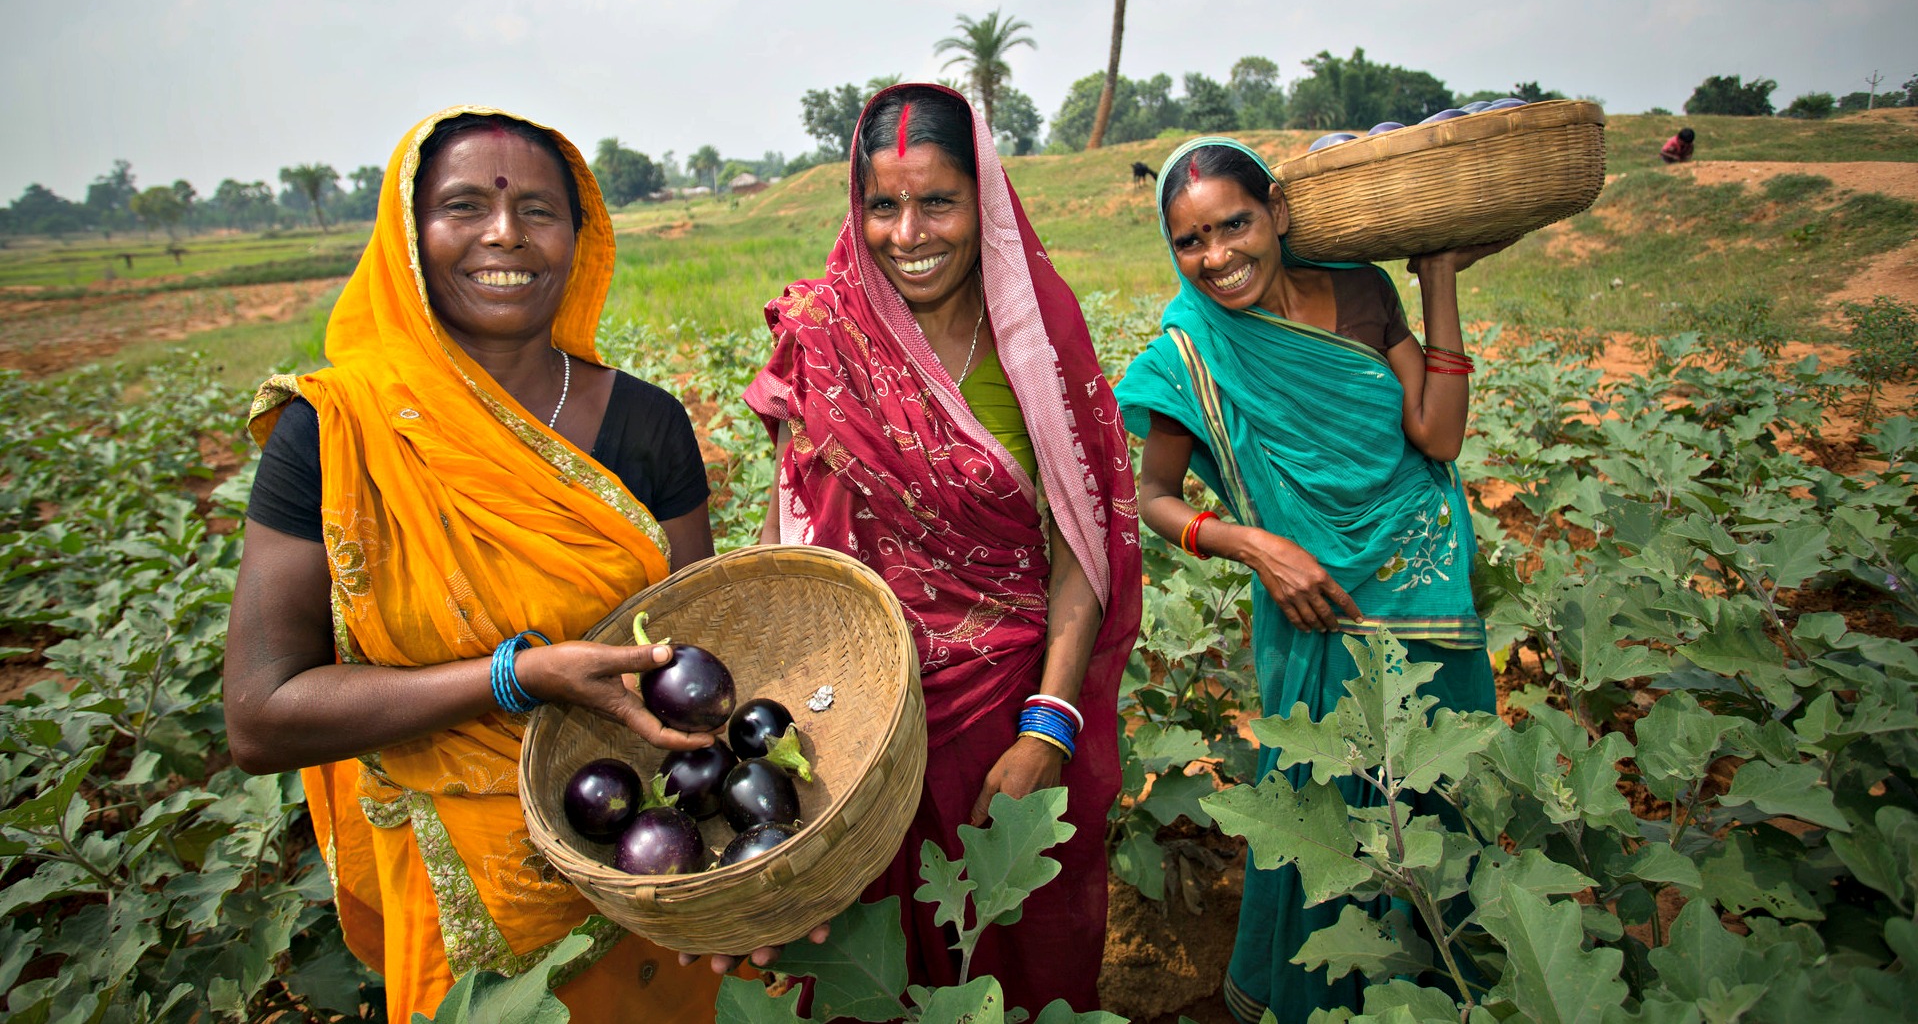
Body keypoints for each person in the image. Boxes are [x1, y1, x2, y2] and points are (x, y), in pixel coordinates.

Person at [223, 107, 745, 1022]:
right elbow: (262, 715)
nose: (504, 233)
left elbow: (699, 676)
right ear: (410, 237)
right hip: (469, 897)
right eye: (463, 205)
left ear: (579, 240)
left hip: (648, 861)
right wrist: (518, 676)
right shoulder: (337, 432)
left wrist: (758, 855)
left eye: (538, 209)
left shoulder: (650, 423)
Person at [742, 84, 1143, 1012]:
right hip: (855, 723)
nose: (909, 231)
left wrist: (1050, 724)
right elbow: (787, 537)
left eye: (938, 202)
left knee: (1012, 951)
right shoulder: (823, 339)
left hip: (1005, 718)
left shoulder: (1034, 345)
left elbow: (1080, 548)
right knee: (862, 962)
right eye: (884, 204)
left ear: (984, 202)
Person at [1113, 137, 1501, 1024]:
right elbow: (1154, 497)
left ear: (1278, 213)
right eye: (1190, 241)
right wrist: (1257, 547)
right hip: (1311, 608)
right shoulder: (1190, 351)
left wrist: (1437, 278)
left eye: (1235, 225)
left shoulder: (1363, 290)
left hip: (1421, 583)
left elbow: (1437, 437)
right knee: (1324, 817)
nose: (1216, 257)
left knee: (1431, 803)